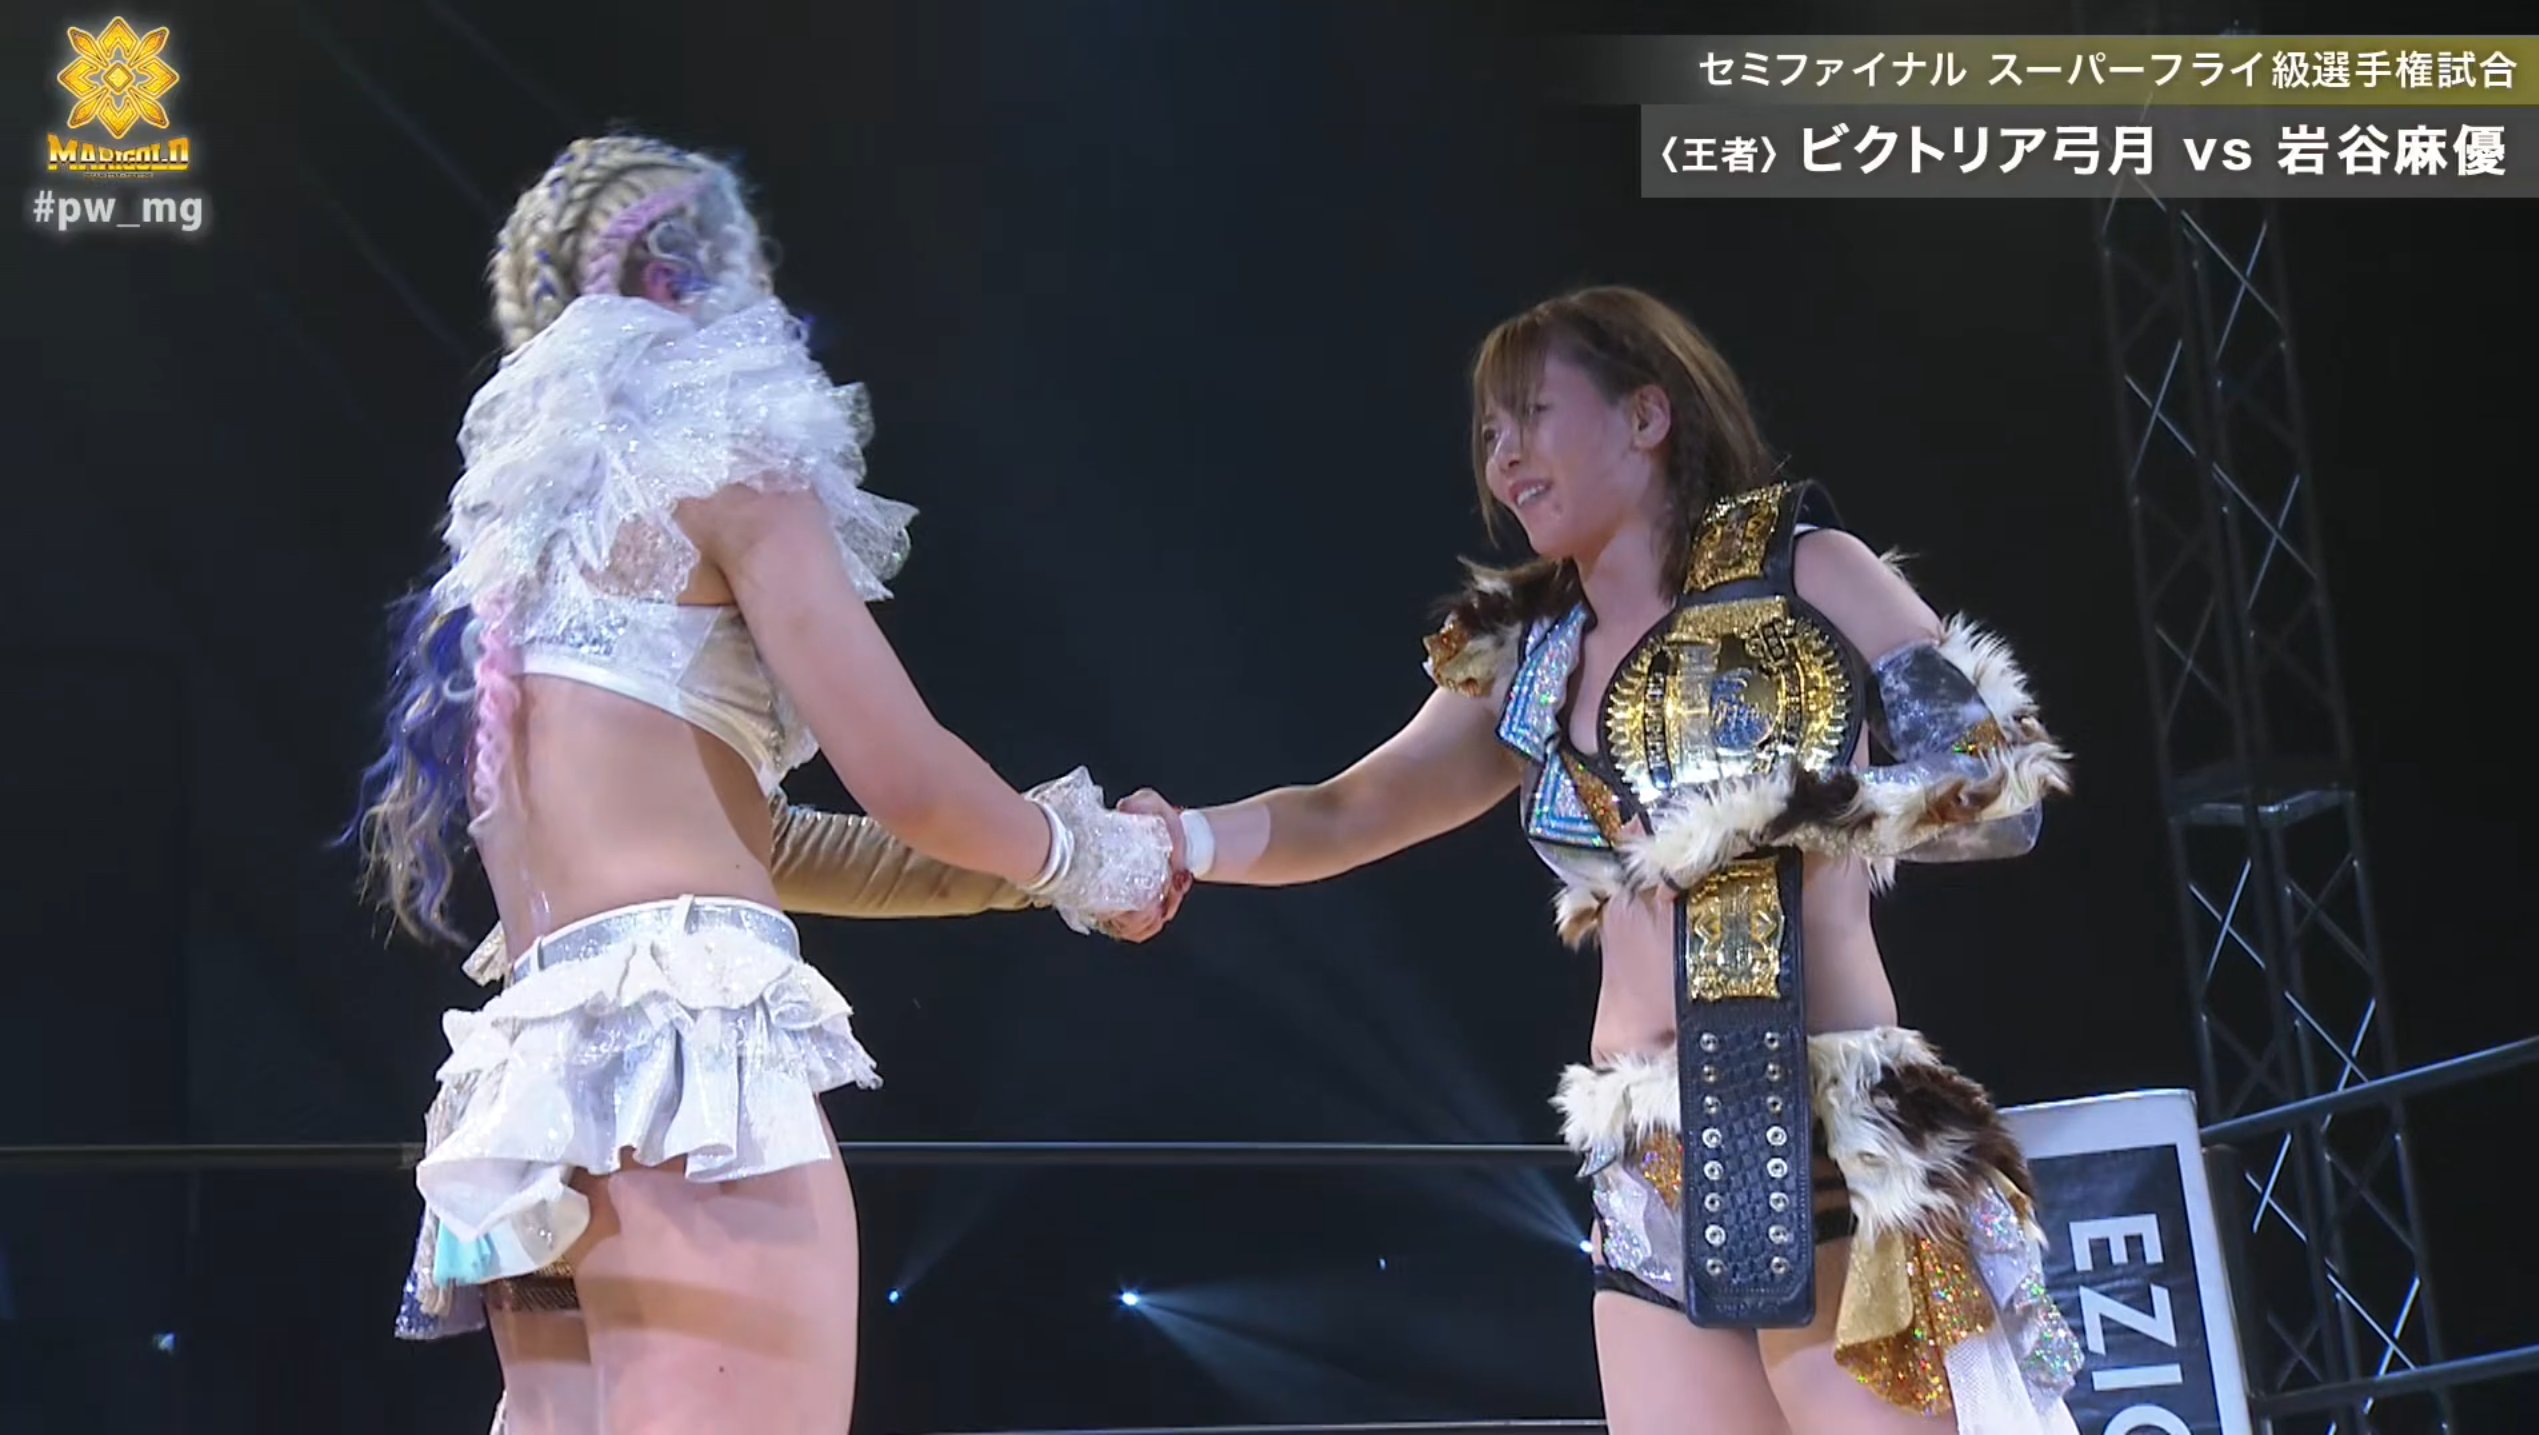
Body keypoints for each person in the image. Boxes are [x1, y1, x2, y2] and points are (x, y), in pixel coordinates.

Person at [1124, 286, 2083, 1434]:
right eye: (1489, 430)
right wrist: (1179, 840)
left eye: (1531, 413)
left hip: (1827, 1132)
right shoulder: (1529, 651)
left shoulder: (1808, 570)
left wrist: (1784, 814)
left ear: (1646, 414)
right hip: (1646, 1165)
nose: (1503, 455)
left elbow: (1998, 788)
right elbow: (1349, 809)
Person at [350, 133, 1177, 1434]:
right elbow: (907, 777)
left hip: (532, 1080)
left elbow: (754, 837)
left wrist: (1040, 872)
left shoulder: (529, 538)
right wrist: (1099, 858)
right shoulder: (726, 452)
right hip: (678, 1064)